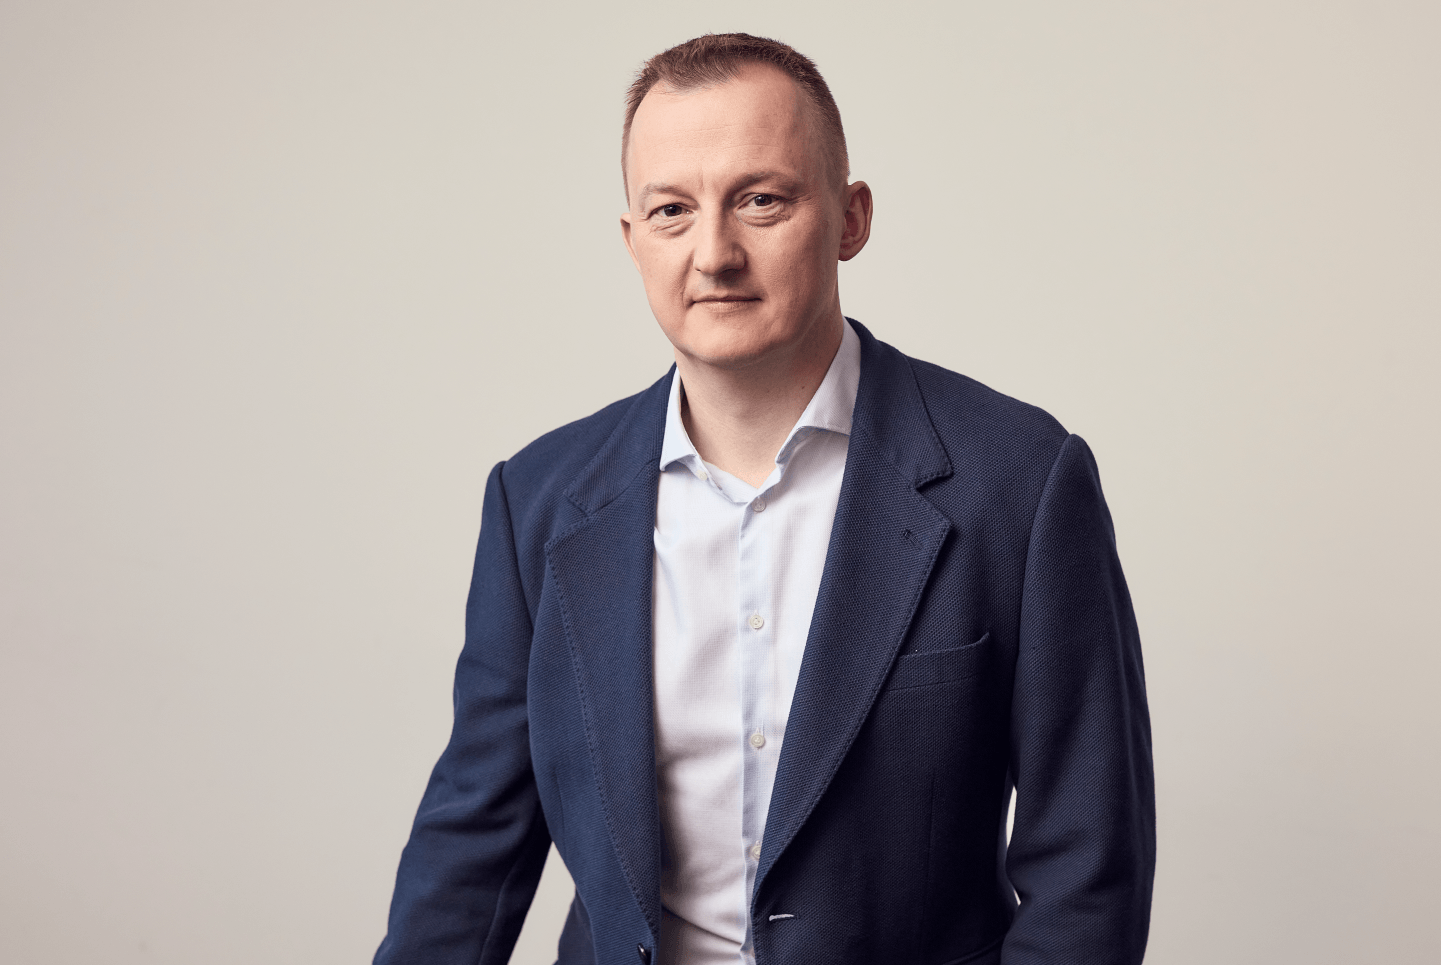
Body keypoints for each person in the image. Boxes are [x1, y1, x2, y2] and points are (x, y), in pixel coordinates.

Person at [374, 32, 1154, 965]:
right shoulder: (536, 502)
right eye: (671, 210)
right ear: (632, 240)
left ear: (850, 219)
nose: (714, 254)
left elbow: (1088, 873)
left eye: (761, 200)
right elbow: (470, 852)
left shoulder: (1020, 483)